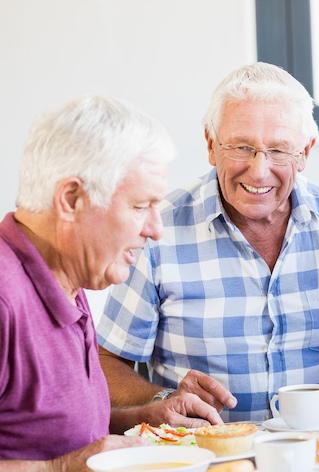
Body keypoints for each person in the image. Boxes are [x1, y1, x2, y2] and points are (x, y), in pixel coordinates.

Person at [96, 62, 319, 422]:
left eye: (279, 150)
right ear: (210, 144)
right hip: (205, 456)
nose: (259, 170)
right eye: (241, 147)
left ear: (306, 152)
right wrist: (165, 397)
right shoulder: (159, 228)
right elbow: (105, 362)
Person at [0, 97, 222, 468]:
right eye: (140, 207)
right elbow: (62, 456)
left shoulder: (69, 277)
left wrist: (145, 418)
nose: (155, 230)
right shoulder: (6, 297)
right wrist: (61, 467)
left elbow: (58, 432)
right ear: (71, 199)